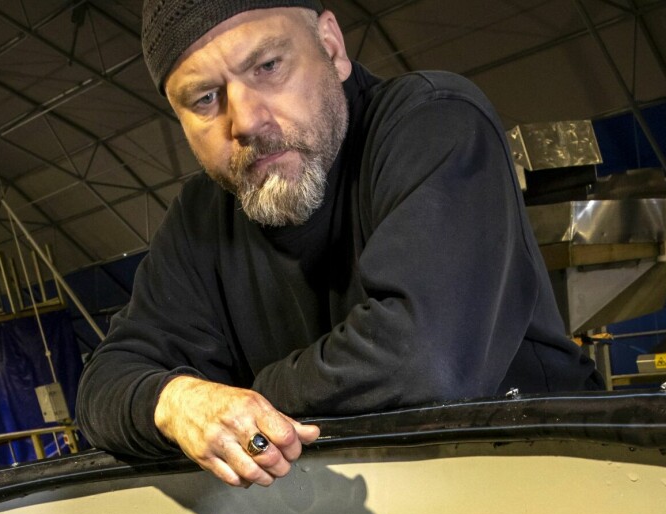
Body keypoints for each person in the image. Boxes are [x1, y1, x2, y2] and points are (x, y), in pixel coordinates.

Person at [75, 2, 601, 487]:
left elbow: (425, 360)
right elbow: (103, 386)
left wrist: (251, 402)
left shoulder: (434, 122)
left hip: (548, 484)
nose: (247, 121)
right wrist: (178, 401)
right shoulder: (199, 221)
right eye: (206, 99)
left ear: (331, 47)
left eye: (267, 67)